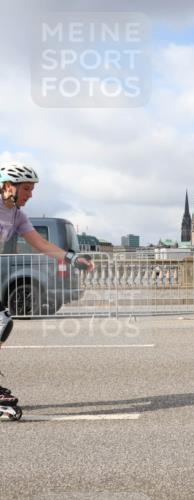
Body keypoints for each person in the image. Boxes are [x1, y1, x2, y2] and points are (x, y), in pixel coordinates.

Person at [0, 162, 93, 406]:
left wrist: (73, 258)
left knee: (3, 324)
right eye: (27, 188)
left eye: (32, 189)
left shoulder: (17, 215)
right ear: (9, 186)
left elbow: (42, 245)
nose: (31, 194)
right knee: (2, 322)